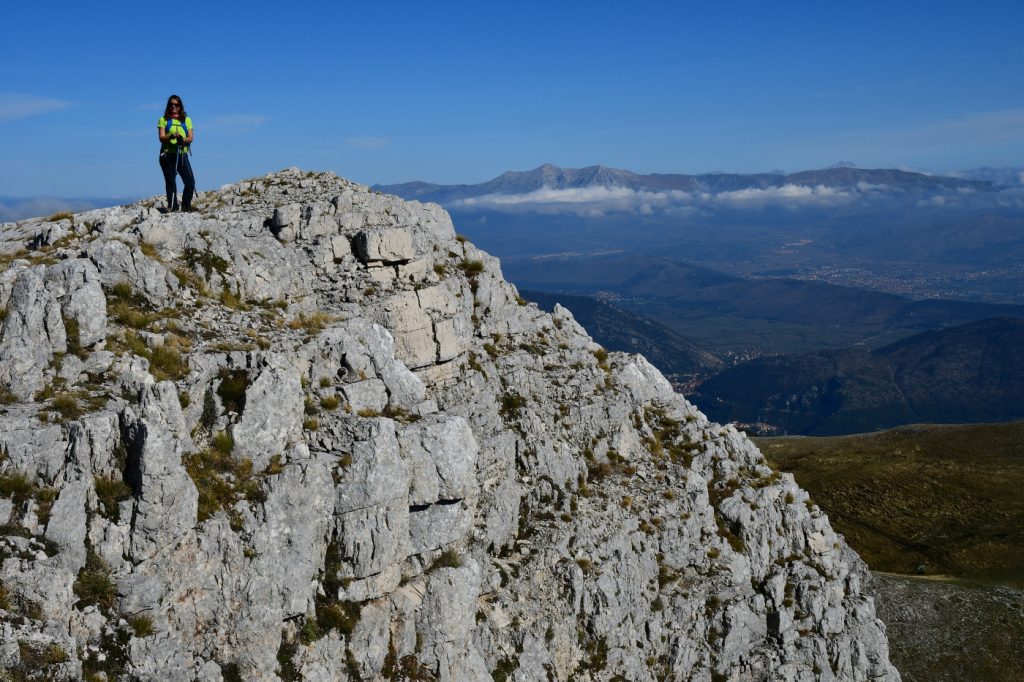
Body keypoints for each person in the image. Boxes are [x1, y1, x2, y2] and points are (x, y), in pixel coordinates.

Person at [157, 94, 196, 212]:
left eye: (176, 105)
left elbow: (190, 138)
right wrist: (171, 135)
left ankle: (186, 206)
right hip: (167, 154)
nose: (173, 106)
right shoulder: (163, 120)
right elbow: (161, 138)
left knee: (190, 181)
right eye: (171, 104)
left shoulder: (187, 120)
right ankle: (173, 207)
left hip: (181, 154)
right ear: (168, 106)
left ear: (180, 106)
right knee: (171, 181)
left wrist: (183, 140)